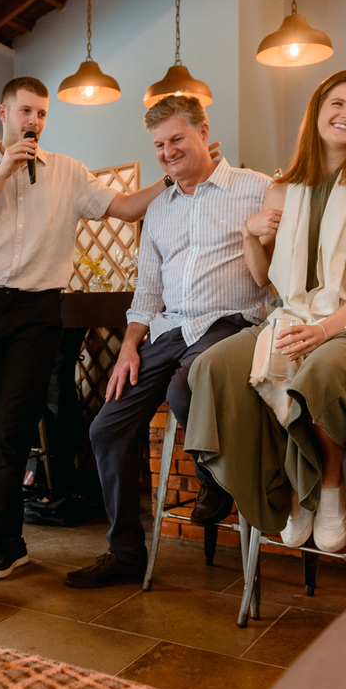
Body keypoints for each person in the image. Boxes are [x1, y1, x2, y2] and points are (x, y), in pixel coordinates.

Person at [0, 76, 174, 605]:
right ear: (4, 112)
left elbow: (127, 208)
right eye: (26, 111)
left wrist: (172, 175)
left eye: (42, 114)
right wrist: (3, 171)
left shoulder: (68, 172)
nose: (35, 122)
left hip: (39, 311)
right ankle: (11, 544)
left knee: (8, 431)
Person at [183, 69, 346, 553]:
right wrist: (249, 234)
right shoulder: (282, 189)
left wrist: (325, 330)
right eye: (337, 104)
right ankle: (284, 488)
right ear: (316, 114)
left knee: (321, 368)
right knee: (212, 367)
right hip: (291, 318)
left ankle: (327, 487)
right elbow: (263, 278)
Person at [65, 95, 274, 588]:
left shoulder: (258, 189)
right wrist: (129, 346)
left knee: (187, 386)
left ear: (204, 132)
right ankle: (125, 553)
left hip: (231, 322)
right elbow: (148, 291)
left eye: (177, 139)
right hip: (168, 329)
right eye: (159, 145)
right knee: (107, 428)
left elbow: (292, 256)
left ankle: (213, 477)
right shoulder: (158, 208)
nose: (167, 151)